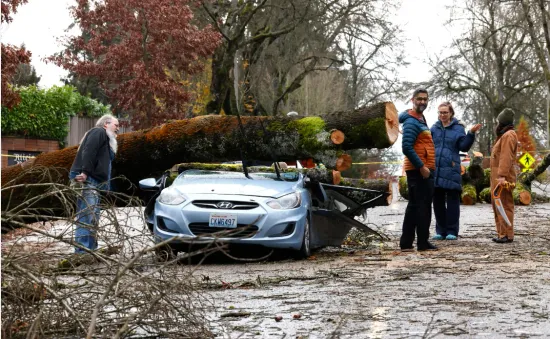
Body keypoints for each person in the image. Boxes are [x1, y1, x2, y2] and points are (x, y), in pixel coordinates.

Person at [430, 102, 482, 241]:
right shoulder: (434, 128)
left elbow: (463, 147)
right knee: (438, 201)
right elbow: (428, 145)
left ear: (451, 113)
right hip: (436, 169)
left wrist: (470, 134)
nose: (442, 115)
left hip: (452, 168)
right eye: (440, 112)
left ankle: (452, 230)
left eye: (445, 112)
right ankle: (440, 231)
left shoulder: (458, 128)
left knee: (453, 200)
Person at [69, 114, 119, 253]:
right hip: (87, 178)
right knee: (86, 216)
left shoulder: (107, 140)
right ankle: (82, 252)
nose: (118, 129)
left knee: (94, 217)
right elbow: (88, 151)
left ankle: (90, 250)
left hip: (95, 181)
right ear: (105, 124)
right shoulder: (98, 132)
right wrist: (85, 172)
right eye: (116, 125)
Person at [399, 89, 438, 251]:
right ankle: (422, 242)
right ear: (412, 100)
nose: (422, 102)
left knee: (414, 206)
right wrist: (422, 167)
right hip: (419, 170)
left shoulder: (420, 118)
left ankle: (406, 242)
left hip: (422, 168)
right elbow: (406, 147)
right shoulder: (411, 121)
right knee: (423, 207)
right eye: (419, 99)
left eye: (425, 99)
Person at [490, 108, 517, 243]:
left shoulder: (508, 135)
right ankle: (502, 233)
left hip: (503, 176)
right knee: (497, 203)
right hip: (498, 175)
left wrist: (502, 176)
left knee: (504, 203)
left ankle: (507, 234)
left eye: (498, 122)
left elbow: (505, 157)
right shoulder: (503, 135)